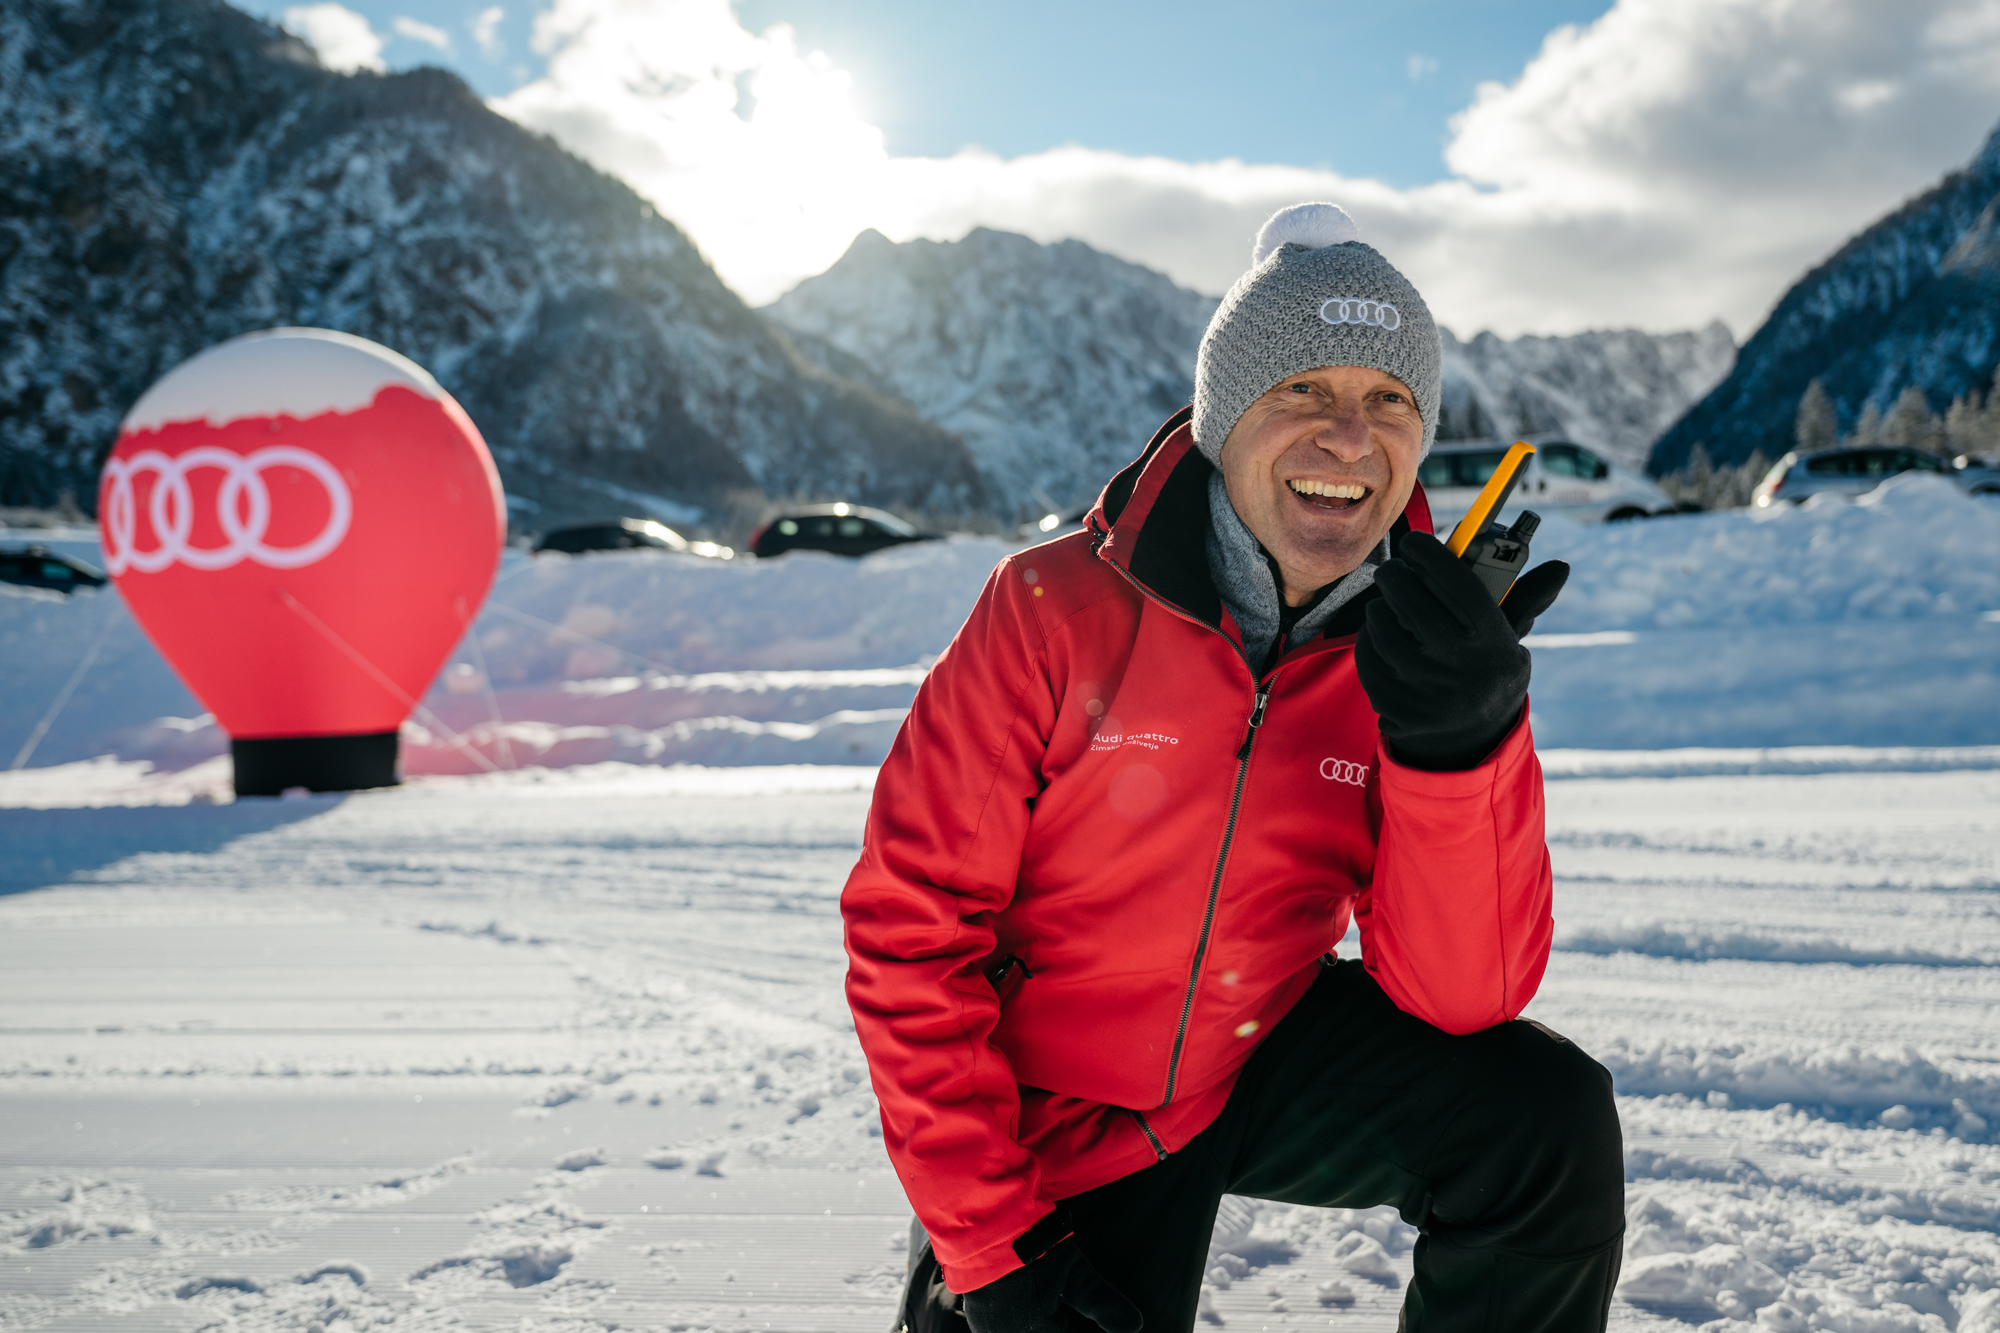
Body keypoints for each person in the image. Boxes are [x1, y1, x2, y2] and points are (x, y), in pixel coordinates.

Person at [841, 203, 1625, 1333]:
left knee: (1536, 1116)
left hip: (1246, 1051)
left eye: (1387, 400)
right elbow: (908, 932)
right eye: (1302, 389)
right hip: (1052, 1108)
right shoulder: (1051, 606)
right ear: (1222, 417)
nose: (1347, 438)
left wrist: (1460, 746)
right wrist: (990, 1246)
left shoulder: (1415, 649)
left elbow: (1464, 997)